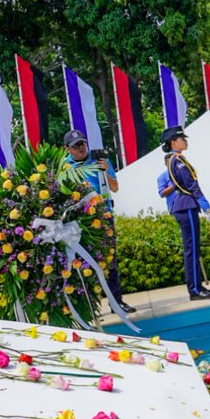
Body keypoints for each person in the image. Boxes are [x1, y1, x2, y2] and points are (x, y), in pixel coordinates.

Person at [63, 129, 134, 314]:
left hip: (103, 216)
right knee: (83, 262)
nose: (81, 148)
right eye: (76, 146)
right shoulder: (64, 167)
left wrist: (105, 171)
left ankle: (116, 302)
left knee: (110, 260)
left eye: (82, 144)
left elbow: (115, 187)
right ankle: (89, 306)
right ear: (67, 149)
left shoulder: (99, 161)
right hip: (80, 221)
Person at [163, 126, 210, 301]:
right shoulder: (177, 160)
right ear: (173, 142)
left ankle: (197, 285)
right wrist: (205, 204)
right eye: (182, 139)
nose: (185, 141)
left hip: (185, 205)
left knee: (193, 249)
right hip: (186, 206)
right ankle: (194, 289)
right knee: (192, 250)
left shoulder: (176, 159)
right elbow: (191, 185)